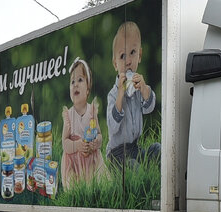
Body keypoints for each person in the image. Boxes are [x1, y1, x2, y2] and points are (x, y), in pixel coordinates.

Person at [105, 20, 160, 165]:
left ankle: (147, 166)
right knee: (132, 166)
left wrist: (144, 89)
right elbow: (112, 126)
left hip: (134, 148)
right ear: (115, 64)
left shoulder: (138, 87)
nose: (128, 61)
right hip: (116, 153)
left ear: (139, 55)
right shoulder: (113, 94)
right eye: (123, 56)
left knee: (157, 149)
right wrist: (120, 96)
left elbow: (148, 108)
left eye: (133, 53)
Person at [60, 58, 106, 189]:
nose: (75, 85)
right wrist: (76, 145)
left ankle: (95, 188)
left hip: (90, 159)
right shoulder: (68, 115)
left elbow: (100, 135)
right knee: (74, 186)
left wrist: (96, 142)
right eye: (72, 82)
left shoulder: (92, 111)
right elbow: (65, 143)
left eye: (80, 80)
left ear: (88, 89)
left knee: (97, 184)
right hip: (74, 163)